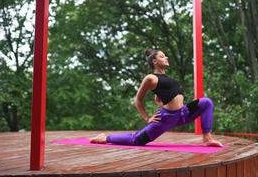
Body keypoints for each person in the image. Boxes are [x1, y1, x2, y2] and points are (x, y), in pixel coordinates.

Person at [90, 48, 223, 147]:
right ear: (155, 61)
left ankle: (207, 138)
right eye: (162, 56)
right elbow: (138, 99)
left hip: (182, 113)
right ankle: (106, 138)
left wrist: (160, 100)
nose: (166, 58)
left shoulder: (168, 78)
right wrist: (147, 117)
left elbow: (166, 96)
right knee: (136, 140)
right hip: (166, 118)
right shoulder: (151, 78)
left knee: (206, 102)